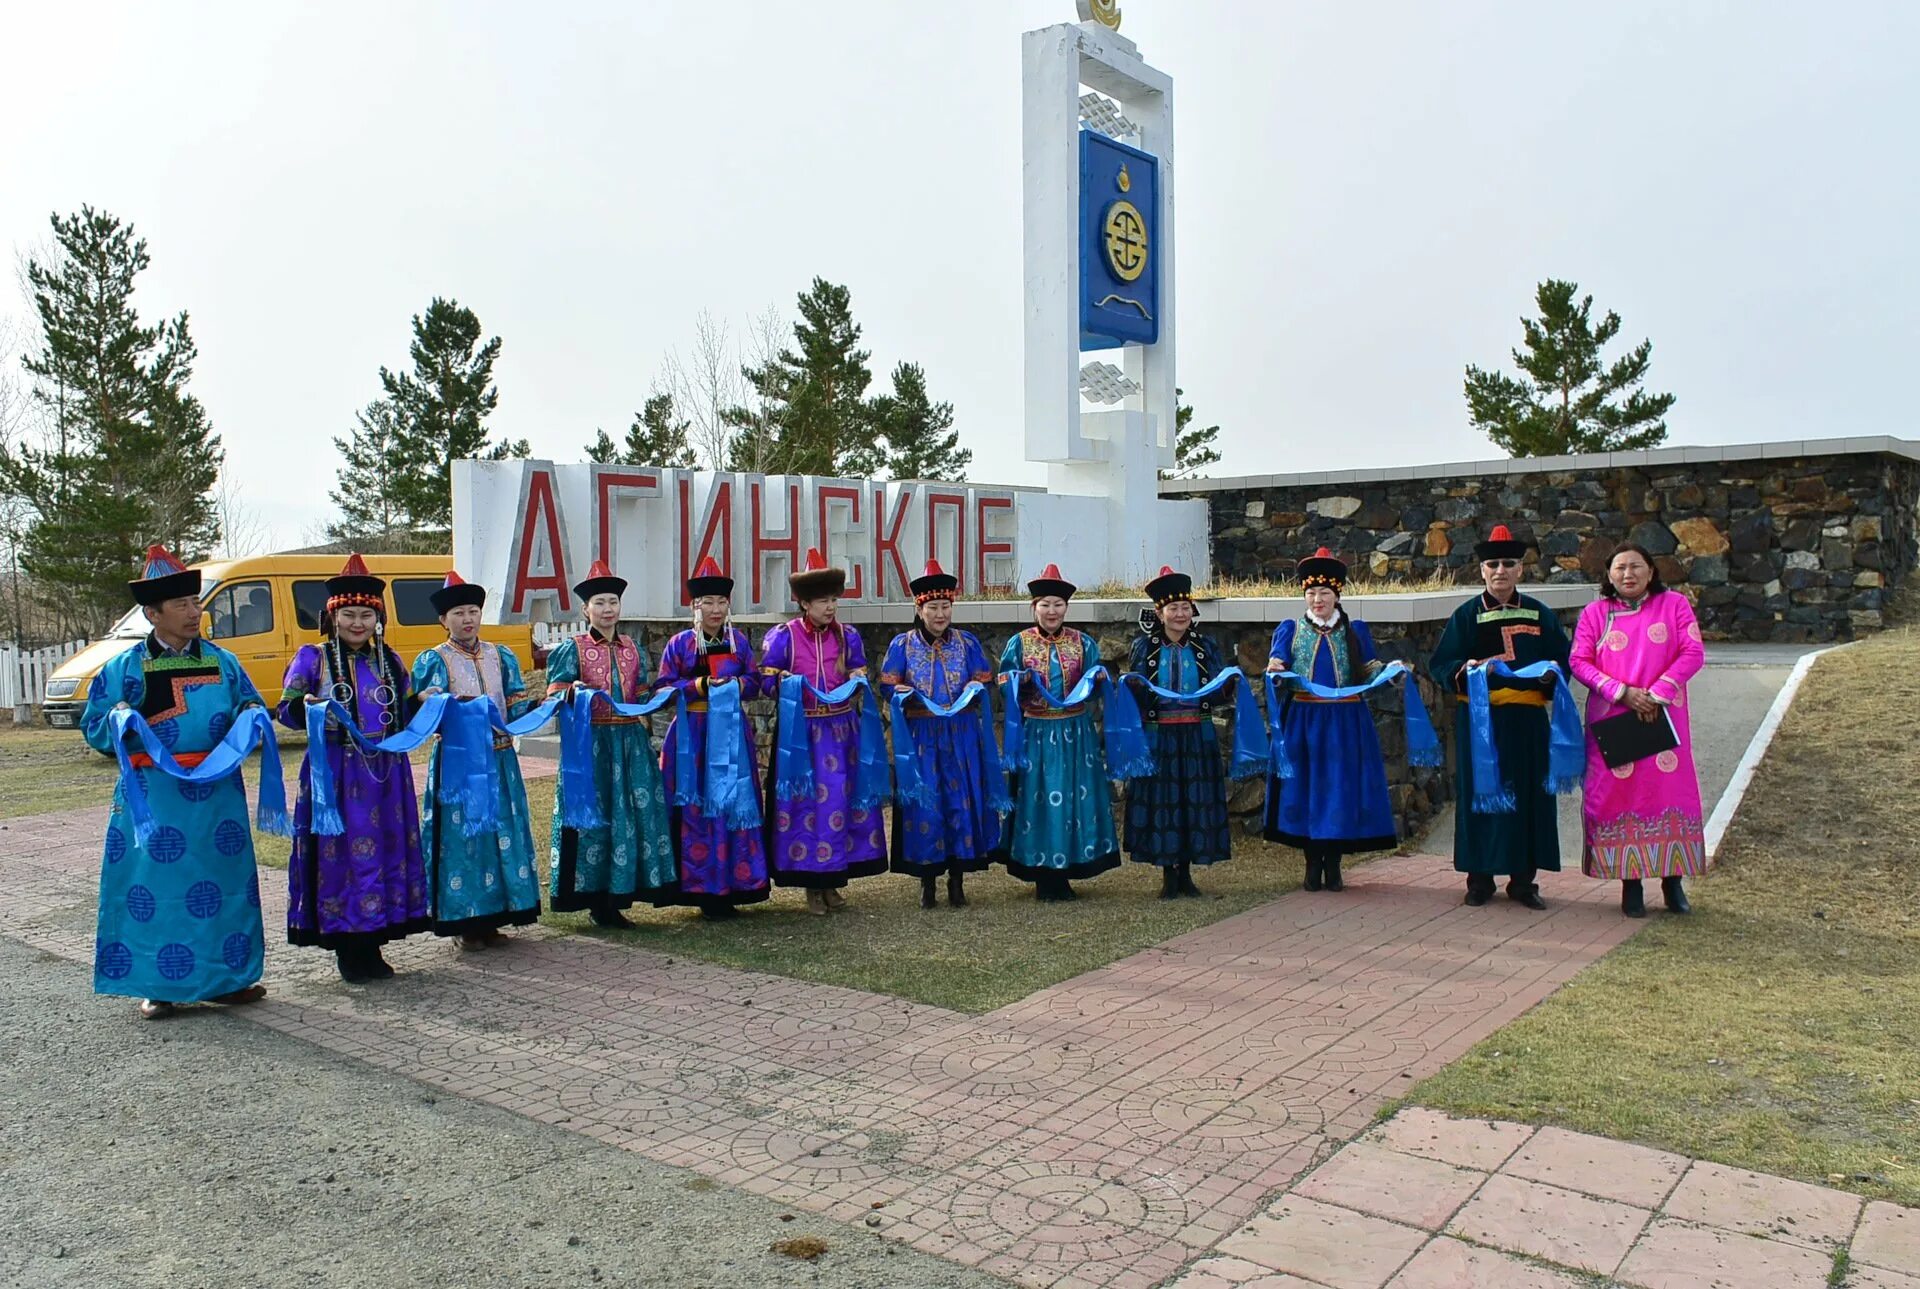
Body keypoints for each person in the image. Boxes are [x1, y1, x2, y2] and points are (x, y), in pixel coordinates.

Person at [82, 545, 272, 1020]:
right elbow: (94, 726)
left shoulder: (224, 662)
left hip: (216, 796)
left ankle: (228, 979)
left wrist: (252, 715)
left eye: (196, 603)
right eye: (182, 606)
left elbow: (251, 703)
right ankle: (158, 985)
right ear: (153, 613)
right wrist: (119, 719)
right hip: (154, 796)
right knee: (155, 887)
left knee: (225, 884)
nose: (195, 613)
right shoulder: (122, 668)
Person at [278, 553, 431, 980]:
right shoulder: (313, 658)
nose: (358, 623)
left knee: (385, 849)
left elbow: (401, 709)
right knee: (340, 856)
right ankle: (347, 944)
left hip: (385, 772)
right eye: (349, 614)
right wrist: (304, 707)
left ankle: (375, 940)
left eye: (366, 614)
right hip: (335, 773)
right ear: (333, 616)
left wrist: (424, 701)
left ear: (377, 618)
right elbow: (285, 709)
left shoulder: (390, 661)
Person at [1428, 525, 1572, 909]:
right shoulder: (1466, 616)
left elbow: (1564, 660)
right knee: (1483, 796)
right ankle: (1480, 879)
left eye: (1509, 563)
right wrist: (1469, 669)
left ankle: (1524, 882)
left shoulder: (1540, 614)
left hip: (1527, 725)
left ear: (1520, 570)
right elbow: (1441, 664)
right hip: (1482, 724)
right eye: (1493, 564)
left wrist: (1550, 676)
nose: (1500, 571)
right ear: (1482, 571)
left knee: (1528, 797)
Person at [1569, 544, 1709, 917]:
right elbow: (1579, 660)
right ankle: (1630, 884)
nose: (1627, 575)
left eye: (1635, 567)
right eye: (1619, 568)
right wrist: (1623, 693)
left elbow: (1693, 652)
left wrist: (1658, 693)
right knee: (1618, 794)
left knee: (1668, 795)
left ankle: (1672, 882)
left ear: (1651, 570)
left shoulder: (1674, 605)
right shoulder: (1595, 614)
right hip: (1614, 716)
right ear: (1609, 575)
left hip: (1663, 716)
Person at [410, 570, 542, 948]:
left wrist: (541, 706)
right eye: (458, 613)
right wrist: (428, 700)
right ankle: (466, 921)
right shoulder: (433, 661)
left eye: (472, 611)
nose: (467, 619)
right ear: (442, 620)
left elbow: (514, 705)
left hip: (500, 760)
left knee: (502, 834)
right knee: (464, 840)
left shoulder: (500, 656)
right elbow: (423, 714)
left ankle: (498, 915)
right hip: (458, 765)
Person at [543, 559, 675, 928]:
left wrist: (662, 694)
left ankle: (622, 892)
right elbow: (553, 693)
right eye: (599, 603)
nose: (607, 610)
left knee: (629, 817)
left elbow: (644, 689)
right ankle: (594, 897)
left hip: (630, 741)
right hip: (592, 746)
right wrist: (574, 691)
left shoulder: (632, 646)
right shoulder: (573, 648)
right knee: (595, 820)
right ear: (585, 609)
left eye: (612, 602)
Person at [760, 549, 888, 915]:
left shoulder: (847, 637)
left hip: (841, 730)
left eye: (833, 599)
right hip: (802, 734)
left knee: (840, 803)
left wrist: (858, 678)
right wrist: (784, 682)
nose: (830, 607)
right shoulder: (783, 637)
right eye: (822, 601)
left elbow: (859, 670)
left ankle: (834, 879)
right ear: (803, 603)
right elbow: (765, 681)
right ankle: (811, 886)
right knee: (804, 807)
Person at [1264, 549, 1397, 892]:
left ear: (1337, 595)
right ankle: (1311, 864)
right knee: (1306, 787)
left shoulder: (1355, 631)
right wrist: (1275, 672)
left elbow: (1370, 670)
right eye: (1310, 593)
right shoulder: (1290, 630)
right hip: (1304, 719)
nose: (1317, 599)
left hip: (1346, 720)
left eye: (1324, 593)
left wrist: (1391, 672)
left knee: (1340, 788)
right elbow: (1277, 667)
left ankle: (1334, 865)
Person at [650, 557, 771, 919]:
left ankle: (736, 885)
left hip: (733, 735)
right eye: (708, 603)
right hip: (692, 740)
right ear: (695, 606)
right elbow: (663, 688)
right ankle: (700, 888)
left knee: (734, 804)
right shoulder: (680, 645)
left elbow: (756, 682)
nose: (715, 610)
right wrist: (699, 684)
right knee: (696, 810)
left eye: (721, 602)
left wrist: (735, 684)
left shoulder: (739, 644)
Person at [879, 560, 1002, 910]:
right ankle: (927, 882)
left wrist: (977, 688)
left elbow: (984, 679)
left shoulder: (967, 643)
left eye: (945, 607)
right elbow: (887, 686)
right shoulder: (902, 645)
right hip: (922, 736)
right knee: (926, 806)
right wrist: (900, 691)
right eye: (933, 607)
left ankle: (958, 880)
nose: (940, 614)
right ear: (919, 609)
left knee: (961, 804)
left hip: (961, 733)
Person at [996, 564, 1121, 901]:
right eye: (1045, 605)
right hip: (1036, 730)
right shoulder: (1019, 643)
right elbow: (1003, 681)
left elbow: (1096, 682)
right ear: (1034, 607)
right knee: (1038, 800)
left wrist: (1098, 681)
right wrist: (1017, 680)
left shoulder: (1083, 643)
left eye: (1058, 605)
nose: (1052, 612)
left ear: (1066, 608)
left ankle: (1068, 870)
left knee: (1074, 800)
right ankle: (1043, 874)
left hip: (1075, 732)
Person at [1124, 565, 1233, 898]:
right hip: (1160, 736)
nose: (1180, 614)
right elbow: (1136, 691)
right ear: (1160, 613)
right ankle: (1167, 875)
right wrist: (1132, 687)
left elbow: (1216, 688)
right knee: (1163, 803)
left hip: (1196, 734)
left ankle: (1185, 872)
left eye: (1185, 608)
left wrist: (1230, 684)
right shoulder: (1145, 648)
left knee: (1193, 802)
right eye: (1173, 608)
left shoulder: (1205, 648)